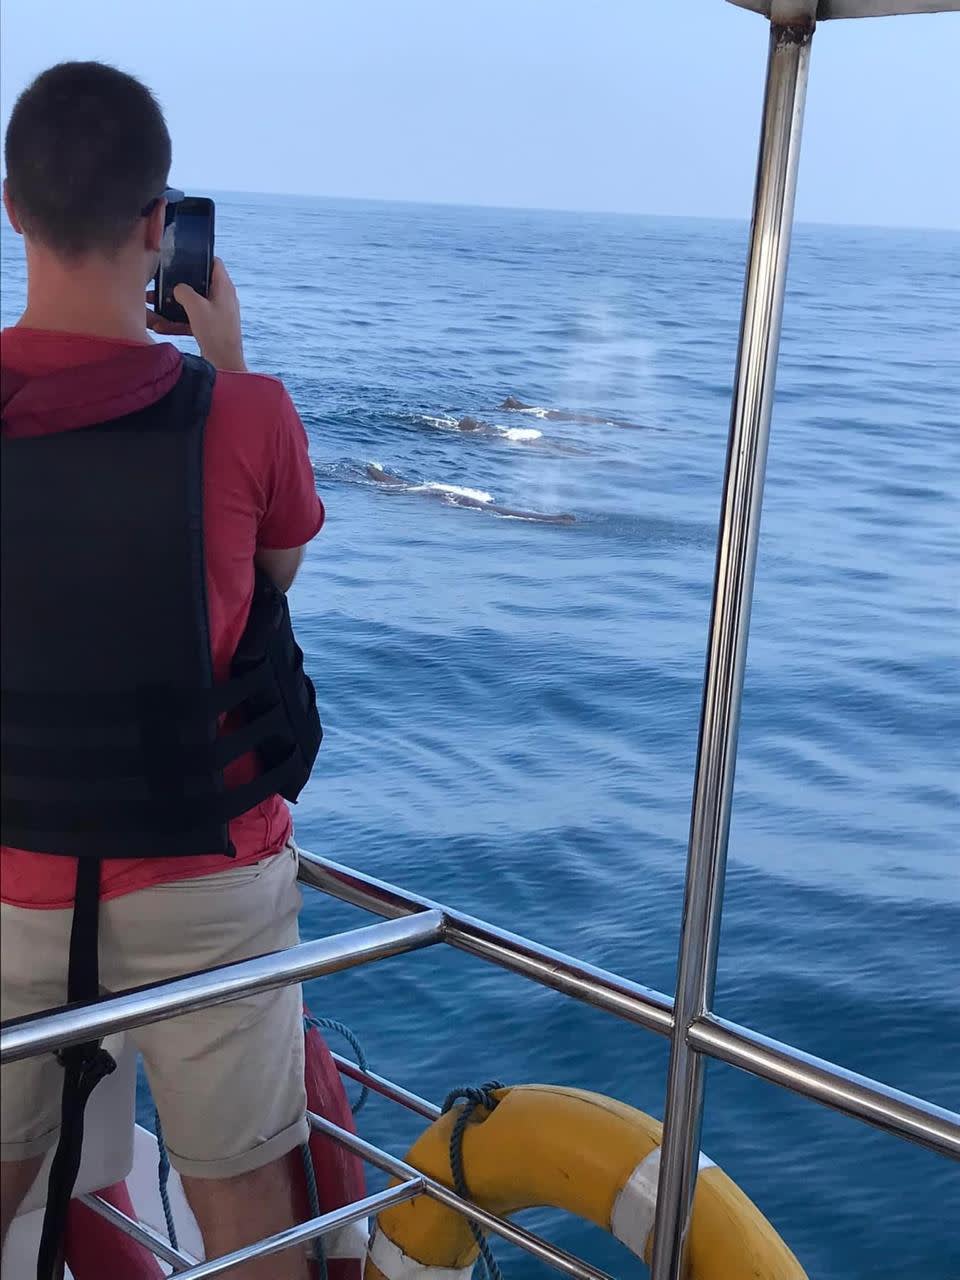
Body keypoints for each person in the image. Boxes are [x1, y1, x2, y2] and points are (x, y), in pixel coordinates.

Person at [0, 62, 324, 1280]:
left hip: (6, 873)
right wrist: (227, 359)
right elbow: (276, 573)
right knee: (245, 1211)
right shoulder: (247, 412)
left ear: (12, 208)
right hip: (206, 877)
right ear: (157, 225)